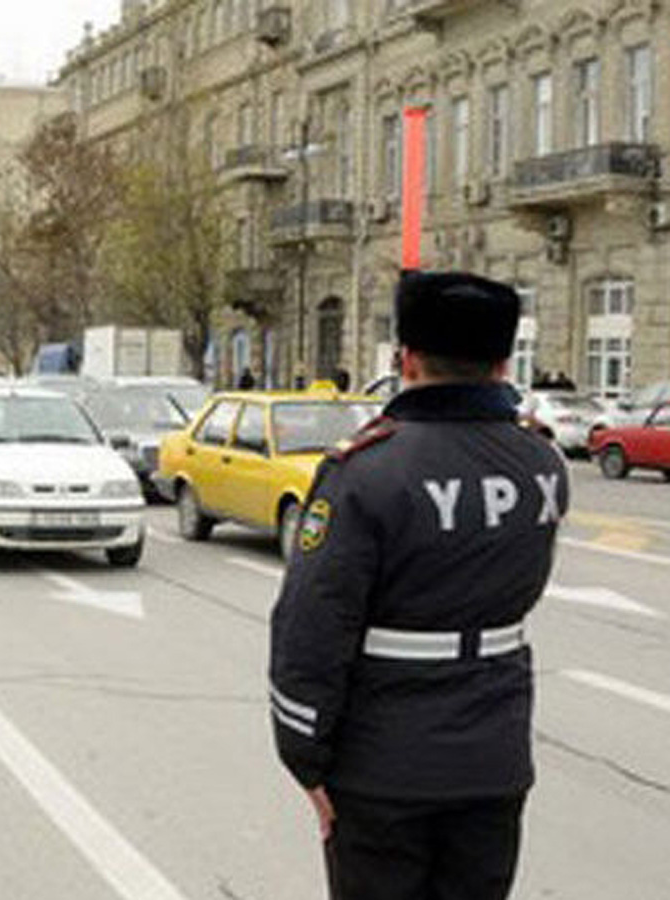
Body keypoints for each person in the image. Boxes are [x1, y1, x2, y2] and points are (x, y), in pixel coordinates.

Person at [269, 271, 569, 900]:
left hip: (383, 769)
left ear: (405, 359)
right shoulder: (541, 464)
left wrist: (304, 755)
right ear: (503, 362)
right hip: (495, 758)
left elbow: (312, 627)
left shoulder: (367, 469)